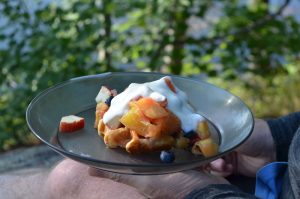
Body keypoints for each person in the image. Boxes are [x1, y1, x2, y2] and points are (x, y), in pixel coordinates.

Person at [1, 112, 299, 198]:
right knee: (70, 174)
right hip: (273, 172)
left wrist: (199, 192)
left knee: (76, 178)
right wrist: (277, 138)